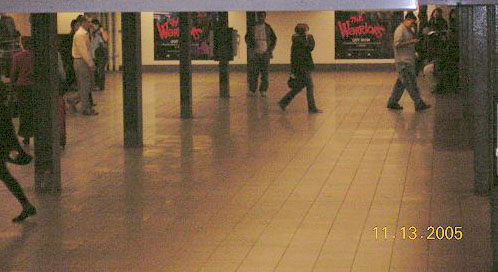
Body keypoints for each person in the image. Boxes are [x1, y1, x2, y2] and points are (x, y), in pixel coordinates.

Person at [0, 82, 36, 223]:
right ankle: (26, 205)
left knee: (5, 176)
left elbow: (7, 133)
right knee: (5, 176)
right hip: (3, 147)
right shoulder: (3, 109)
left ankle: (27, 205)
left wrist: (13, 149)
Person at [387, 12, 431, 112]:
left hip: (408, 61)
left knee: (401, 84)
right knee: (411, 84)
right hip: (403, 62)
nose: (412, 24)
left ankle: (392, 102)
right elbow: (397, 44)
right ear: (406, 20)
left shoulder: (408, 30)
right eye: (411, 22)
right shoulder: (400, 30)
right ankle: (418, 103)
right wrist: (411, 42)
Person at [278, 24, 321, 114]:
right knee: (310, 86)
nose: (308, 32)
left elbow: (310, 48)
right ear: (303, 31)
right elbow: (309, 47)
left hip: (300, 67)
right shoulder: (300, 41)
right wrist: (309, 38)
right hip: (303, 67)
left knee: (299, 87)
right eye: (306, 30)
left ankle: (283, 102)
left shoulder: (297, 40)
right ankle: (312, 107)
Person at [9, 32, 34, 145]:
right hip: (33, 86)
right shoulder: (35, 56)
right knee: (33, 110)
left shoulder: (17, 57)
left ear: (22, 44)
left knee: (24, 112)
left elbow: (14, 73)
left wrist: (12, 87)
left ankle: (26, 136)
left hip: (22, 87)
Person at [245, 11, 276, 97]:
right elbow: (247, 37)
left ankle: (263, 90)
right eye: (259, 16)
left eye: (262, 16)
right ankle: (252, 89)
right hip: (255, 53)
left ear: (265, 17)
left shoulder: (268, 27)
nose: (261, 18)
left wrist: (270, 49)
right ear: (257, 17)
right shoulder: (252, 27)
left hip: (265, 52)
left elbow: (274, 39)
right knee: (254, 72)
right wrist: (251, 46)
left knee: (265, 73)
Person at [72, 15, 98, 116]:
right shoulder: (80, 35)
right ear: (83, 23)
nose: (90, 24)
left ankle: (72, 100)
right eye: (88, 22)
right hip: (81, 61)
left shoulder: (85, 34)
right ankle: (86, 109)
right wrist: (90, 63)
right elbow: (83, 51)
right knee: (84, 86)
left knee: (88, 85)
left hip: (84, 61)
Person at [90, 19, 108, 91]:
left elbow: (106, 40)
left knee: (100, 70)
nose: (92, 27)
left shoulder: (101, 31)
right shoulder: (93, 33)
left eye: (93, 25)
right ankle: (97, 85)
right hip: (95, 54)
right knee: (96, 70)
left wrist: (102, 31)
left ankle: (100, 86)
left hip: (101, 54)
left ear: (97, 25)